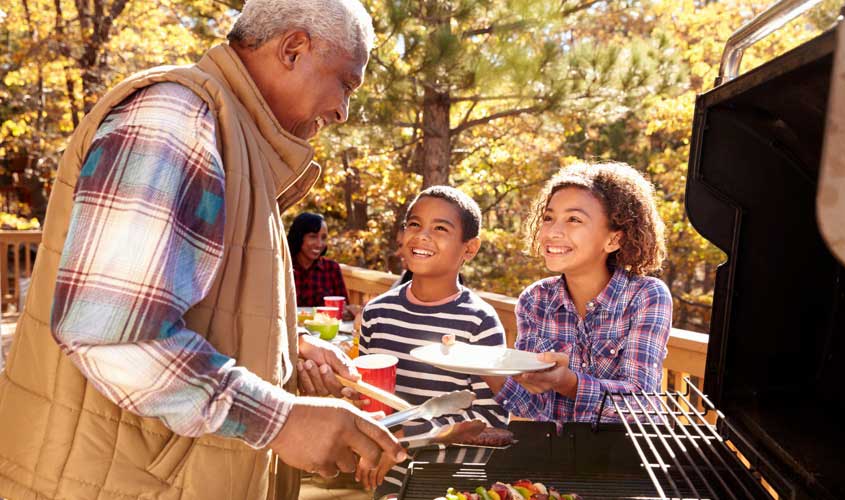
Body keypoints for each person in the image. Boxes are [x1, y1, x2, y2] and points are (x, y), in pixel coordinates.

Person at [0, 1, 406, 500]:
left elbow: (190, 302)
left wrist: (286, 349)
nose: (344, 110)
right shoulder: (173, 117)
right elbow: (108, 333)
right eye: (346, 83)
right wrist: (280, 420)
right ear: (294, 48)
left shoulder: (230, 136)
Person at [483, 162, 672, 423]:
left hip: (629, 457)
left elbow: (639, 404)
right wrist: (481, 364)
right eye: (548, 218)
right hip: (558, 458)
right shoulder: (535, 300)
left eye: (574, 219)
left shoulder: (645, 296)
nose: (552, 231)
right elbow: (531, 406)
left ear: (613, 240)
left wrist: (569, 383)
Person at [357, 186, 510, 496]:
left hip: (450, 481)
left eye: (440, 228)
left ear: (470, 248)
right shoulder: (377, 313)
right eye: (414, 224)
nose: (422, 235)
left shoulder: (479, 321)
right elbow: (366, 395)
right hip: (385, 478)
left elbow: (493, 419)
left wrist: (405, 437)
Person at [287, 212, 350, 308]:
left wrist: (349, 311)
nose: (319, 244)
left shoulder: (332, 268)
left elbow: (344, 308)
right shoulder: (283, 267)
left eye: (323, 238)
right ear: (299, 237)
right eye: (313, 236)